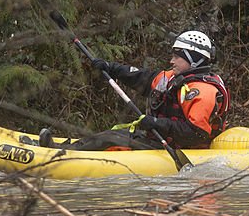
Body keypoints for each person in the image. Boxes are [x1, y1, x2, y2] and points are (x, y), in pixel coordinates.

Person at [40, 30, 230, 151]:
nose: (171, 61)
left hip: (182, 147)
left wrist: (156, 123)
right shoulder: (172, 77)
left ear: (193, 60)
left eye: (177, 57)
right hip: (160, 139)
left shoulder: (202, 91)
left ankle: (62, 154)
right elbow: (142, 78)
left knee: (111, 137)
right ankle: (65, 148)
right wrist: (110, 67)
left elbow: (196, 133)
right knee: (110, 134)